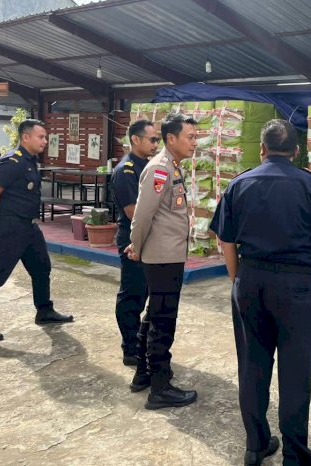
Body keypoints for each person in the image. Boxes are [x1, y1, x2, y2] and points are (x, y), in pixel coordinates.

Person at [212, 119, 311, 466]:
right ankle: (294, 457)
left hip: (250, 280)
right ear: (297, 151)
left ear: (262, 149)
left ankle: (256, 446)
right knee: (295, 373)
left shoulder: (239, 184)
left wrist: (238, 280)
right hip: (295, 287)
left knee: (252, 366)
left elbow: (225, 241)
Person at [0, 119, 73, 342]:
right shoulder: (13, 161)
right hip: (12, 226)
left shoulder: (29, 161)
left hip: (29, 226)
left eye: (45, 137)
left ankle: (44, 311)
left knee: (41, 267)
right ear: (26, 137)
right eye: (40, 136)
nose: (45, 141)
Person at [125, 113, 198, 409]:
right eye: (190, 137)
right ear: (171, 138)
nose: (194, 143)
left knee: (154, 314)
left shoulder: (172, 166)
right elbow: (143, 215)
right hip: (163, 257)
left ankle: (143, 373)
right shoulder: (159, 169)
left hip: (167, 253)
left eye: (195, 137)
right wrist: (136, 245)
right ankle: (160, 387)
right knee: (163, 320)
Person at [110, 119, 159, 366]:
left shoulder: (149, 165)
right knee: (133, 294)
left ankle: (140, 343)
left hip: (150, 237)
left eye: (158, 140)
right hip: (133, 238)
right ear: (135, 139)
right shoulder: (126, 170)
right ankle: (130, 348)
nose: (156, 144)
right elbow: (133, 212)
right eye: (152, 139)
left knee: (147, 292)